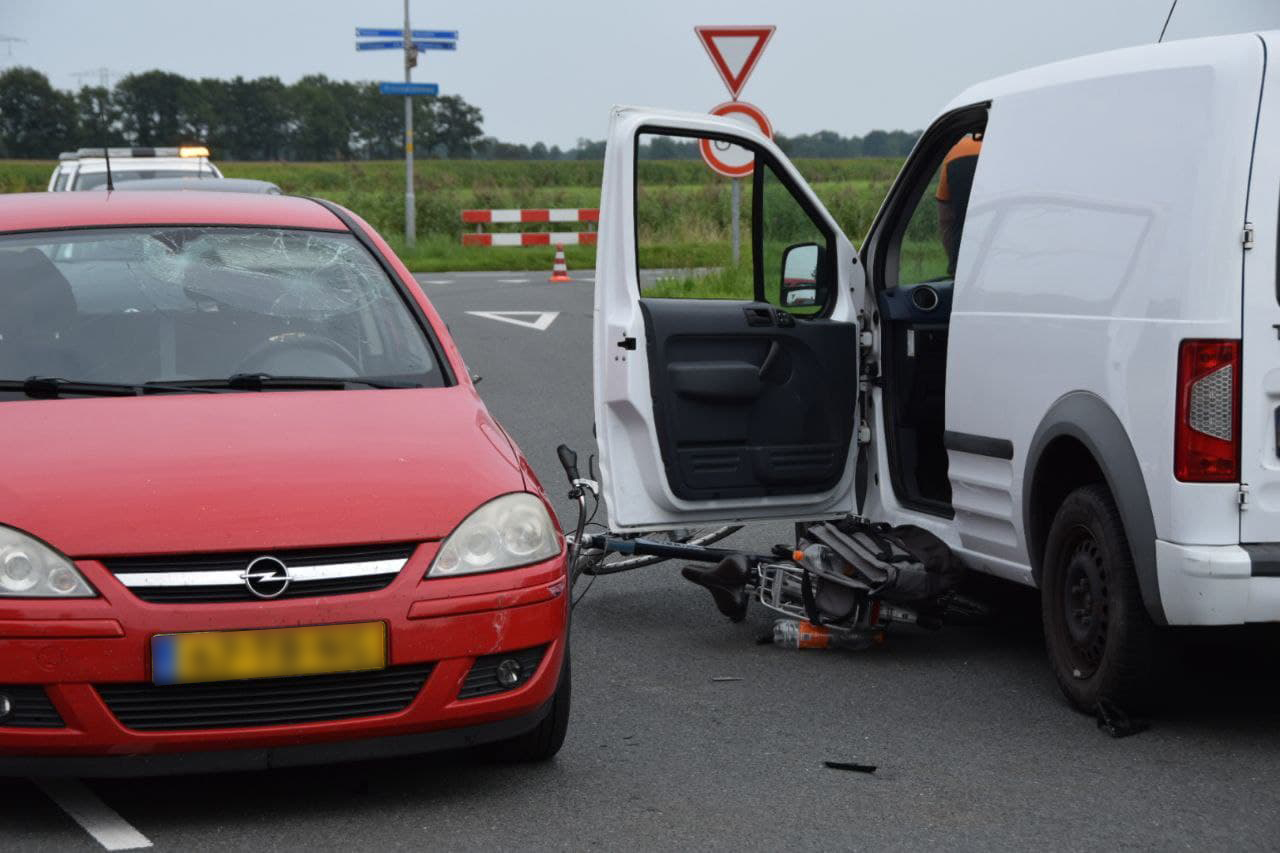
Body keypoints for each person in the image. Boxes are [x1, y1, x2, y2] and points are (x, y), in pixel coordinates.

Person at [935, 132, 983, 276]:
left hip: (966, 267)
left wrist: (954, 263)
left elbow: (945, 218)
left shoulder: (956, 151)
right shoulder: (1013, 148)